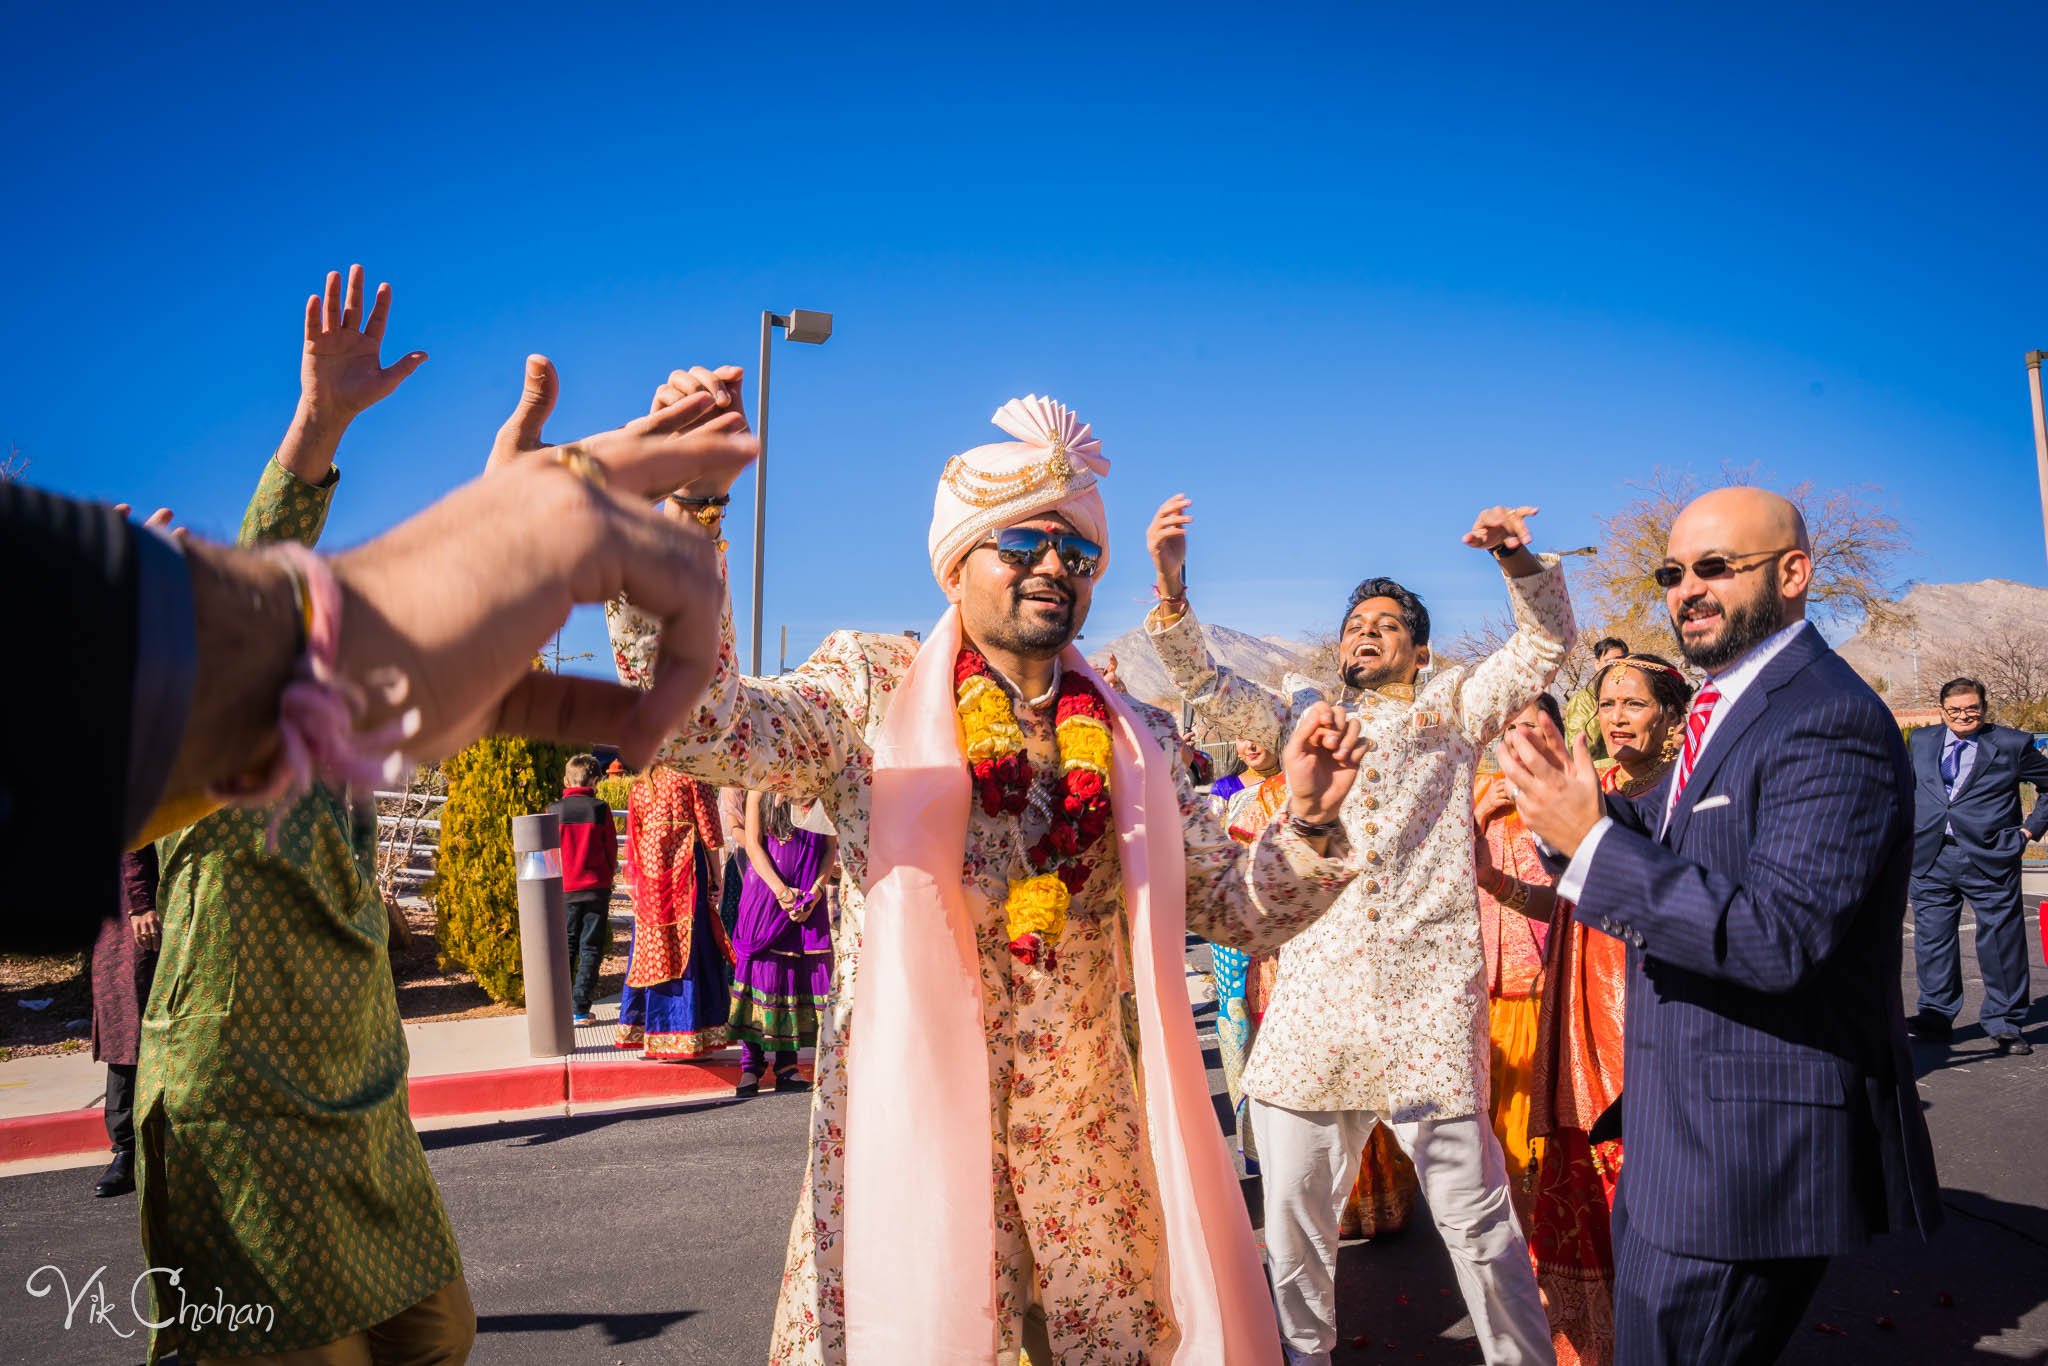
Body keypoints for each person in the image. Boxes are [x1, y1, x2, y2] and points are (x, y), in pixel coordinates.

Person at [605, 383, 1366, 1364]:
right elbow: (699, 727)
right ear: (955, 561)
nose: (1055, 565)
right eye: (1022, 544)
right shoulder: (871, 684)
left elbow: (1235, 906)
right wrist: (692, 516)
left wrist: (1305, 815)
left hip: (1087, 1166)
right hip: (908, 1145)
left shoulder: (1136, 734)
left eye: (1078, 552)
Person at [1498, 486, 1943, 1366]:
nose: (1686, 590)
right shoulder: (1726, 706)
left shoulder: (1827, 718)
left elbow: (1779, 938)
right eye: (1672, 573)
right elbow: (1653, 837)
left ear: (1793, 573)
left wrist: (1584, 840)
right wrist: (1565, 810)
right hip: (1680, 1138)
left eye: (1714, 568)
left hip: (1741, 1162)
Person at [1144, 491, 1570, 1366]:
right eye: (1354, 623)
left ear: (1419, 647)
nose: (1363, 633)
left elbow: (1541, 646)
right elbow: (1205, 687)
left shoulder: (1451, 706)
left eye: (1385, 623)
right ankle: (1305, 1359)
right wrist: (1173, 592)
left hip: (1426, 1009)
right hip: (1313, 1014)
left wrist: (1517, 564)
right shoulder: (1311, 724)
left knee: (1477, 1220)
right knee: (1296, 1226)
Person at [139, 266, 474, 1365]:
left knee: (439, 1335)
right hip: (242, 1115)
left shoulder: (329, 724)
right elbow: (266, 554)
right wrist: (315, 425)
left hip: (361, 1104)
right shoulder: (175, 730)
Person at [1483, 653, 1691, 1366]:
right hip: (1577, 999)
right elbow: (1561, 904)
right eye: (1606, 706)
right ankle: (1594, 1344)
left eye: (1632, 703)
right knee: (1582, 1172)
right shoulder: (1589, 787)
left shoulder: (1688, 790)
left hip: (1651, 996)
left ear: (1670, 711)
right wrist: (1497, 883)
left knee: (1650, 1176)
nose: (1616, 718)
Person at [1905, 676, 2048, 1055]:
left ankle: (2005, 1022)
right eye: (1955, 709)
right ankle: (1935, 1016)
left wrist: (2029, 832)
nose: (1964, 715)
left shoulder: (2012, 744)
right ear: (1941, 710)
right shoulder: (1921, 741)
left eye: (1972, 708)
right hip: (1931, 855)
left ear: (1984, 708)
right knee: (1932, 940)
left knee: (2001, 941)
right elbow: (1907, 788)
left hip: (1990, 855)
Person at [1470, 695, 1564, 1240]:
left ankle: (1541, 1220)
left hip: (1543, 968)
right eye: (1509, 726)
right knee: (1490, 1102)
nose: (1519, 735)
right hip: (1487, 969)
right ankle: (1498, 1220)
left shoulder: (1571, 790)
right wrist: (1483, 812)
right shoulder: (1479, 789)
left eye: (1531, 724)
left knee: (1534, 1103)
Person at [617, 764, 732, 1059]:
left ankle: (652, 1033)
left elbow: (637, 841)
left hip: (652, 880)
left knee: (655, 947)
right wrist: (717, 878)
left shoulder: (640, 785)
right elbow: (709, 832)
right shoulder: (692, 775)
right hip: (686, 874)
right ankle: (692, 1030)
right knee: (692, 946)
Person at [728, 790, 836, 1093]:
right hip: (765, 896)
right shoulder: (758, 790)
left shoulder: (819, 789)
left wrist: (814, 893)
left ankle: (787, 1067)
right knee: (761, 972)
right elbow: (753, 844)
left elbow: (829, 848)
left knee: (793, 972)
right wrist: (782, 892)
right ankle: (751, 1065)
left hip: (807, 899)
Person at [88, 848, 161, 1198]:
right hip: (137, 913)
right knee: (127, 1025)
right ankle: (127, 1150)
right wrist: (140, 903)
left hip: (191, 897)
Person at [549, 753, 619, 1023]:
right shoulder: (600, 809)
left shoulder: (553, 810)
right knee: (590, 947)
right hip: (596, 889)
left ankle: (561, 1006)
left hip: (564, 889)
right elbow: (610, 849)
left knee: (565, 945)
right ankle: (580, 1007)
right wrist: (608, 876)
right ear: (594, 779)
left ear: (568, 778)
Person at [1563, 638, 1631, 761]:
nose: (1613, 667)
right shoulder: (1583, 699)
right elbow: (1580, 748)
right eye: (1608, 662)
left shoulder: (1632, 695)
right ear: (1597, 664)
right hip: (1599, 772)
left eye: (1619, 662)